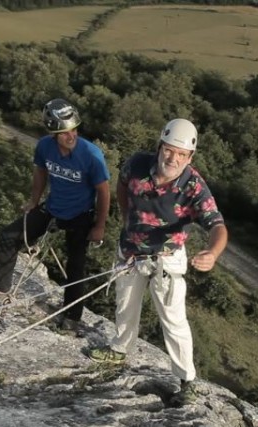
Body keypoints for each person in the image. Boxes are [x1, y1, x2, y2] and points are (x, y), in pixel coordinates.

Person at [89, 118, 228, 405]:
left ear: (190, 157)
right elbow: (123, 185)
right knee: (125, 303)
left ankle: (187, 380)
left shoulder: (193, 187)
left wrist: (212, 254)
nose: (173, 158)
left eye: (181, 154)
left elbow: (217, 226)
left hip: (166, 258)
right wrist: (126, 217)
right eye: (169, 150)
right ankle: (119, 350)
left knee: (173, 319)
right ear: (160, 147)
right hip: (130, 250)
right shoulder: (138, 164)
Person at [0, 98, 111, 331]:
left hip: (80, 214)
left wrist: (99, 226)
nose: (71, 136)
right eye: (65, 132)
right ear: (53, 133)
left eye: (74, 130)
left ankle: (72, 317)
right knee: (9, 235)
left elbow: (103, 191)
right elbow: (40, 172)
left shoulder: (91, 154)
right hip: (53, 207)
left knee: (75, 265)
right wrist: (34, 201)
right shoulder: (45, 146)